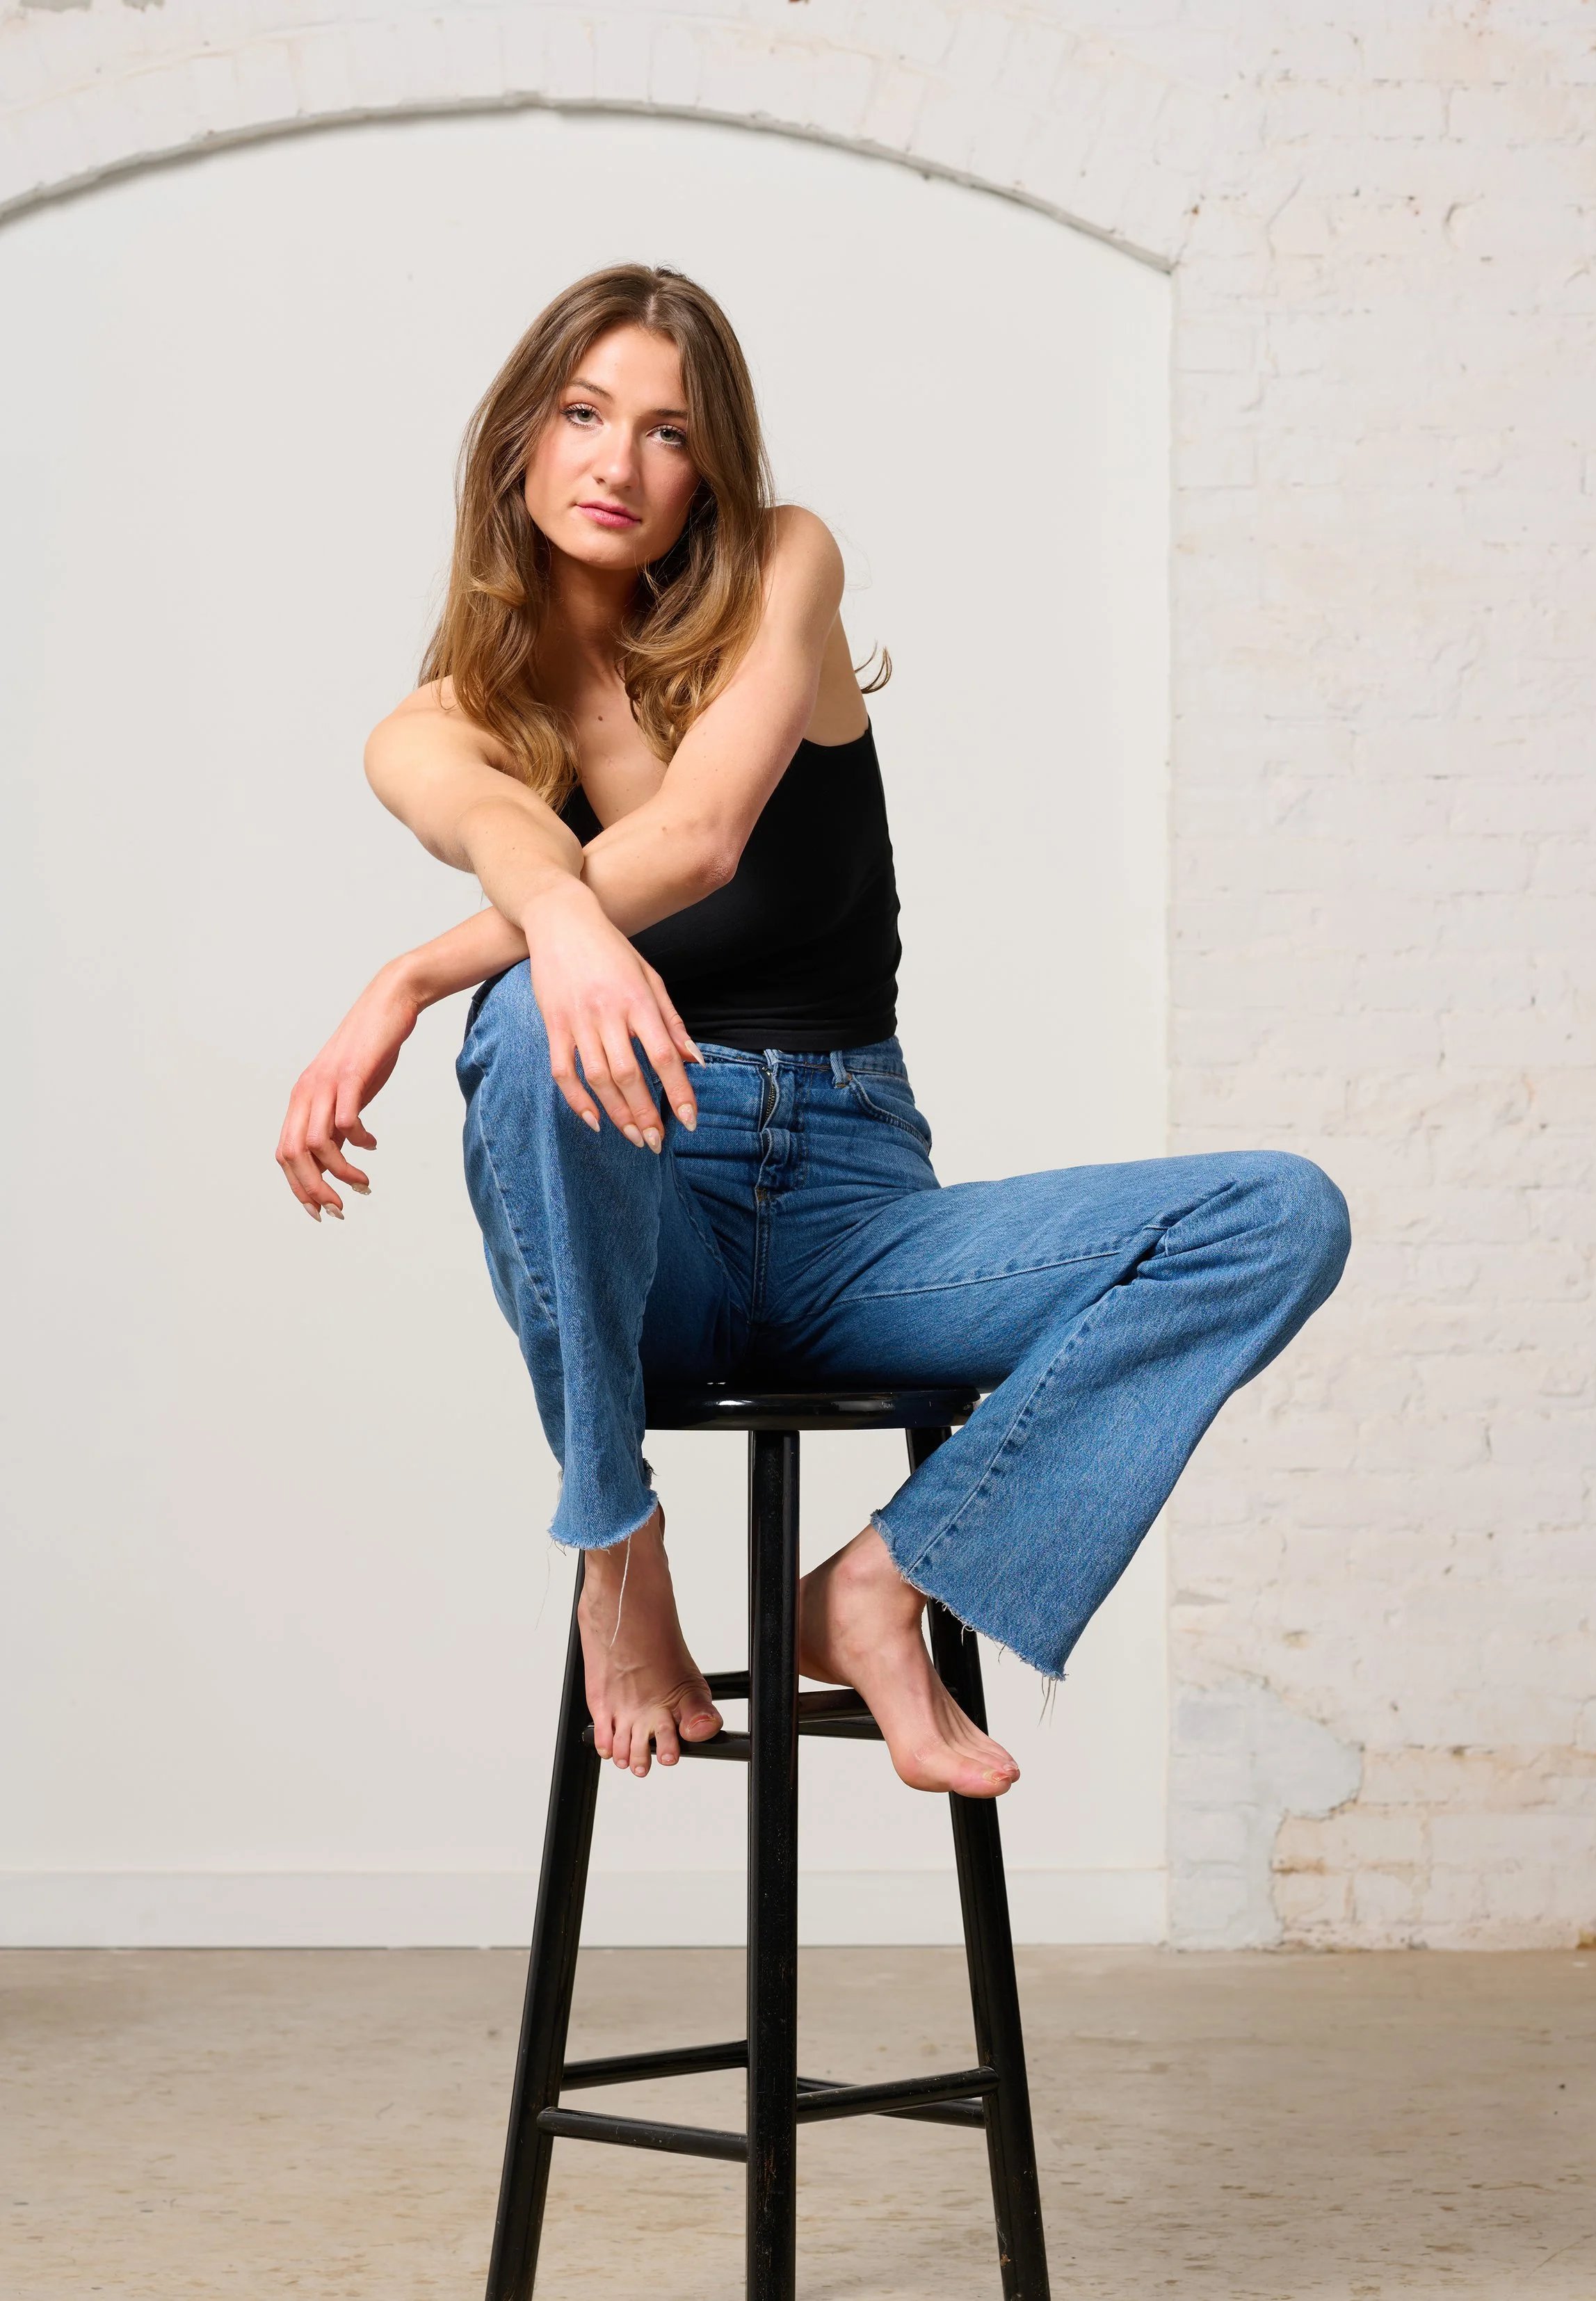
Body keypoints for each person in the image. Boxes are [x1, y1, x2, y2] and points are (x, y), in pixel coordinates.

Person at [276, 264, 1350, 1803]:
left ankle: (881, 1584)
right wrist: (525, 939)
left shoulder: (787, 564)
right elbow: (504, 831)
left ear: (709, 465)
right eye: (581, 415)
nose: (615, 463)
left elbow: (703, 836)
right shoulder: (437, 719)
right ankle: (617, 1541)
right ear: (517, 439)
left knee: (1274, 1215)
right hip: (649, 1216)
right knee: (526, 1018)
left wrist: (407, 972)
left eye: (665, 430)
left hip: (860, 1212)